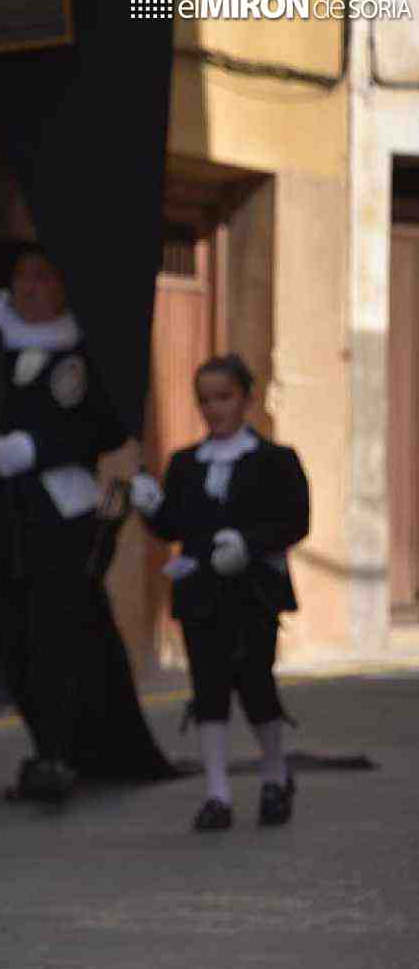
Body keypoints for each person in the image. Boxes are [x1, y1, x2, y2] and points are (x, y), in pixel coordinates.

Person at [0, 242, 169, 801]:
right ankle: (46, 744)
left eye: (42, 278)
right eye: (22, 279)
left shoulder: (82, 345)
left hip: (61, 510)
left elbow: (107, 425)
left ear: (62, 287)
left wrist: (41, 446)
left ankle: (68, 751)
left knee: (58, 632)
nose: (29, 289)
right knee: (10, 633)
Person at [130, 354, 309, 831]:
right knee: (208, 688)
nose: (214, 409)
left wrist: (249, 544)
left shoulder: (276, 460)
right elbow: (175, 525)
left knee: (255, 682)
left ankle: (275, 775)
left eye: (224, 398)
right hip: (202, 593)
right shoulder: (186, 463)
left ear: (246, 399)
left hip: (254, 592)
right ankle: (217, 793)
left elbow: (295, 521)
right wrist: (151, 507)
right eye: (205, 400)